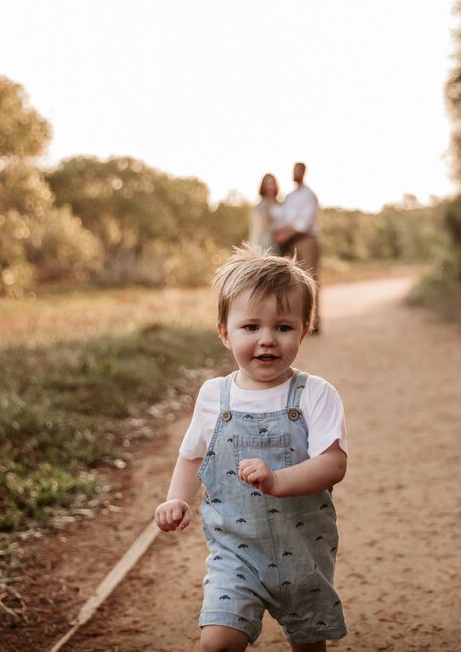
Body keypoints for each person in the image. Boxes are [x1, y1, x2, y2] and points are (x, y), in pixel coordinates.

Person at [154, 244, 348, 651]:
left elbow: (333, 464)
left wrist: (278, 480)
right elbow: (193, 454)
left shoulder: (315, 394)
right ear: (225, 333)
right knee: (218, 642)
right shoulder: (213, 396)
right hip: (235, 553)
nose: (267, 340)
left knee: (308, 644)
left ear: (304, 330)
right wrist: (176, 498)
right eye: (251, 327)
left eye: (283, 327)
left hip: (303, 551)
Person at [274, 162, 322, 332]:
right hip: (289, 242)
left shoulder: (309, 195)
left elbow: (304, 223)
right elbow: (282, 218)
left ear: (304, 173)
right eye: (294, 171)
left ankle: (314, 322)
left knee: (310, 280)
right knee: (286, 280)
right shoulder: (289, 197)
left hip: (306, 240)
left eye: (298, 171)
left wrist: (284, 235)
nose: (295, 174)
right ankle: (293, 321)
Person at [250, 173, 282, 255]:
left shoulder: (282, 203)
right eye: (268, 184)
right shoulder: (260, 207)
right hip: (268, 246)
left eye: (272, 183)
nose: (270, 186)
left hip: (284, 243)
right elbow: (262, 228)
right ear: (263, 186)